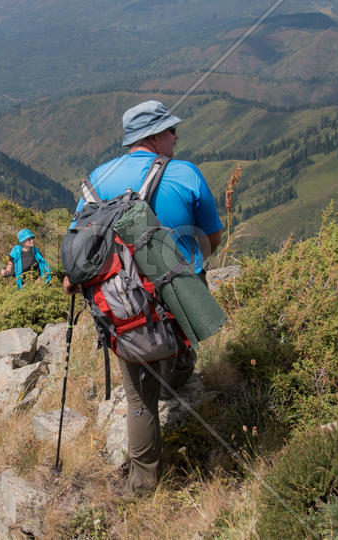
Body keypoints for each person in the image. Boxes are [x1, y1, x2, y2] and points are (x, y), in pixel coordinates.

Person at [64, 100, 223, 495]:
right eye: (171, 130)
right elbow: (212, 239)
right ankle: (176, 369)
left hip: (126, 305)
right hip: (181, 300)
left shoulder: (99, 177)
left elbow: (80, 241)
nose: (176, 136)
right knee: (181, 356)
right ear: (153, 137)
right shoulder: (185, 174)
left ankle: (142, 487)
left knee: (139, 399)